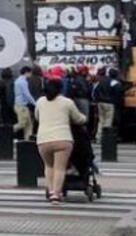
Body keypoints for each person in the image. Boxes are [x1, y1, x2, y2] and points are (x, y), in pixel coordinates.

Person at [34, 76, 86, 204]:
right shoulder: (67, 102)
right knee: (60, 168)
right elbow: (78, 118)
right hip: (63, 139)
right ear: (61, 89)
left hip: (43, 139)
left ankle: (50, 190)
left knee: (49, 166)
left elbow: (36, 117)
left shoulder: (40, 101)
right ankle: (56, 195)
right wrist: (85, 118)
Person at [14, 65, 37, 139]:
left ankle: (27, 140)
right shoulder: (23, 82)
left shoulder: (17, 80)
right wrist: (35, 103)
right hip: (22, 106)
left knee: (28, 125)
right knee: (22, 124)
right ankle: (7, 131)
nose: (30, 75)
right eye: (30, 73)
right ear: (26, 72)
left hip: (20, 104)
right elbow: (27, 94)